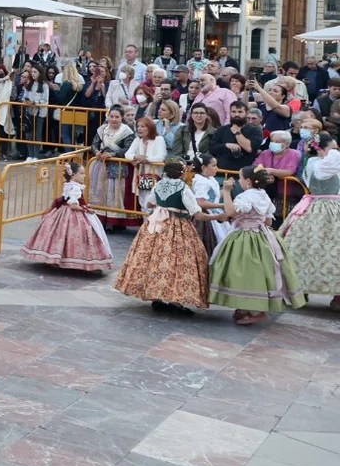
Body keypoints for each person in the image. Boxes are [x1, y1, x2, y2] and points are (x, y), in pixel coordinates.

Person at [208, 166, 306, 325]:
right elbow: (267, 220)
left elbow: (231, 212)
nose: (239, 181)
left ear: (247, 181)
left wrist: (226, 192)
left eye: (240, 178)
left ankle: (255, 311)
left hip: (244, 236)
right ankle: (249, 308)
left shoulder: (245, 196)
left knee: (244, 272)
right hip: (263, 236)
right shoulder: (264, 195)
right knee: (261, 272)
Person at [113, 159, 210, 315]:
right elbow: (196, 213)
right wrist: (218, 216)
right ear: (182, 173)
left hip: (157, 224)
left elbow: (149, 204)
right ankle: (175, 300)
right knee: (178, 261)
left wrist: (162, 204)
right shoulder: (184, 188)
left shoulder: (159, 184)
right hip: (178, 226)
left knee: (153, 259)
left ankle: (156, 298)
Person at [280, 132, 340, 309]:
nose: (336, 151)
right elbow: (324, 172)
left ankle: (337, 295)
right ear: (321, 149)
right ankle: (299, 291)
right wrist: (329, 152)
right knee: (307, 249)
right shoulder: (316, 163)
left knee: (330, 250)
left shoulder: (324, 162)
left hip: (327, 205)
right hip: (322, 206)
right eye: (333, 148)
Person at [21, 159, 113, 272]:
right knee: (78, 235)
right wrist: (86, 209)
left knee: (59, 235)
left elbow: (62, 199)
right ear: (73, 175)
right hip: (72, 214)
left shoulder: (69, 185)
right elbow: (74, 206)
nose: (84, 176)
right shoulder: (75, 188)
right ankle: (78, 260)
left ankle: (57, 257)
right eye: (82, 173)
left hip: (62, 212)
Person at [88, 107, 136, 231]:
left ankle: (112, 222)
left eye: (117, 117)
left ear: (122, 118)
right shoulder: (102, 129)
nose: (114, 119)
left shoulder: (127, 132)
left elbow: (128, 149)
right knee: (99, 192)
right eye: (112, 116)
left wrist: (113, 155)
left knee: (114, 193)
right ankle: (99, 219)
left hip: (117, 166)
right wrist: (97, 152)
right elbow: (94, 143)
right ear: (108, 117)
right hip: (100, 165)